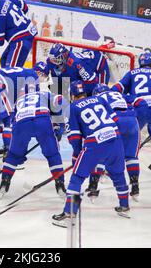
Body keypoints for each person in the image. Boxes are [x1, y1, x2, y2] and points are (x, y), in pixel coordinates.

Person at [53, 80, 130, 227]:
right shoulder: (100, 99)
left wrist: (77, 154)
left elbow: (75, 136)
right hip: (115, 137)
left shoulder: (72, 108)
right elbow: (115, 120)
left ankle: (69, 214)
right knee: (118, 174)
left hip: (95, 143)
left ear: (72, 95)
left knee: (77, 178)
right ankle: (125, 206)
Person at [0, 80, 66, 197]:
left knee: (13, 155)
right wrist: (59, 126)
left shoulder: (18, 101)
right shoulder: (45, 94)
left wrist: (18, 153)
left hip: (21, 122)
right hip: (42, 120)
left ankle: (5, 182)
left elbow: (11, 122)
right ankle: (60, 184)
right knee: (53, 154)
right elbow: (60, 100)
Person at [91, 83, 141, 200]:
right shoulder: (119, 94)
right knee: (131, 157)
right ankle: (135, 187)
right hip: (132, 121)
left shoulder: (97, 98)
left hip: (115, 120)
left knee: (100, 154)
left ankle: (93, 187)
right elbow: (140, 101)